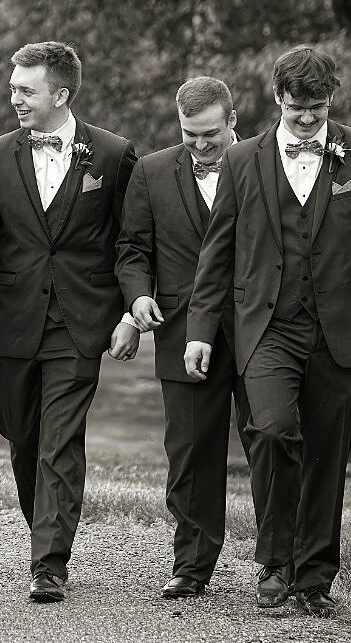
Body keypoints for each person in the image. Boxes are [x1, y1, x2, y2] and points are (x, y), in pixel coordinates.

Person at [184, 46, 351, 616]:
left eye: (317, 108)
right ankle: (275, 560)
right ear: (277, 100)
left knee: (326, 454)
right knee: (268, 430)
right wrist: (199, 330)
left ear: (330, 99)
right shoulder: (242, 159)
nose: (308, 119)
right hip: (266, 326)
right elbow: (217, 253)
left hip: (338, 328)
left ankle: (314, 578)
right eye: (297, 109)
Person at [0, 41, 138, 604]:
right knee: (22, 436)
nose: (14, 98)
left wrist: (130, 311)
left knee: (59, 440)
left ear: (60, 93)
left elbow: (129, 242)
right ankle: (45, 533)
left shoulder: (111, 155)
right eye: (13, 87)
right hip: (12, 320)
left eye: (25, 89)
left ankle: (49, 562)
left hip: (80, 322)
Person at [114, 76, 268, 599]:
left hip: (258, 329)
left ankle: (276, 562)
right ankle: (192, 563)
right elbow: (133, 248)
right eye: (189, 135)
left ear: (232, 123)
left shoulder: (262, 165)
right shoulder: (152, 172)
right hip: (181, 330)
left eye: (211, 134)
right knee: (189, 450)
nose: (201, 145)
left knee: (269, 440)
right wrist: (137, 300)